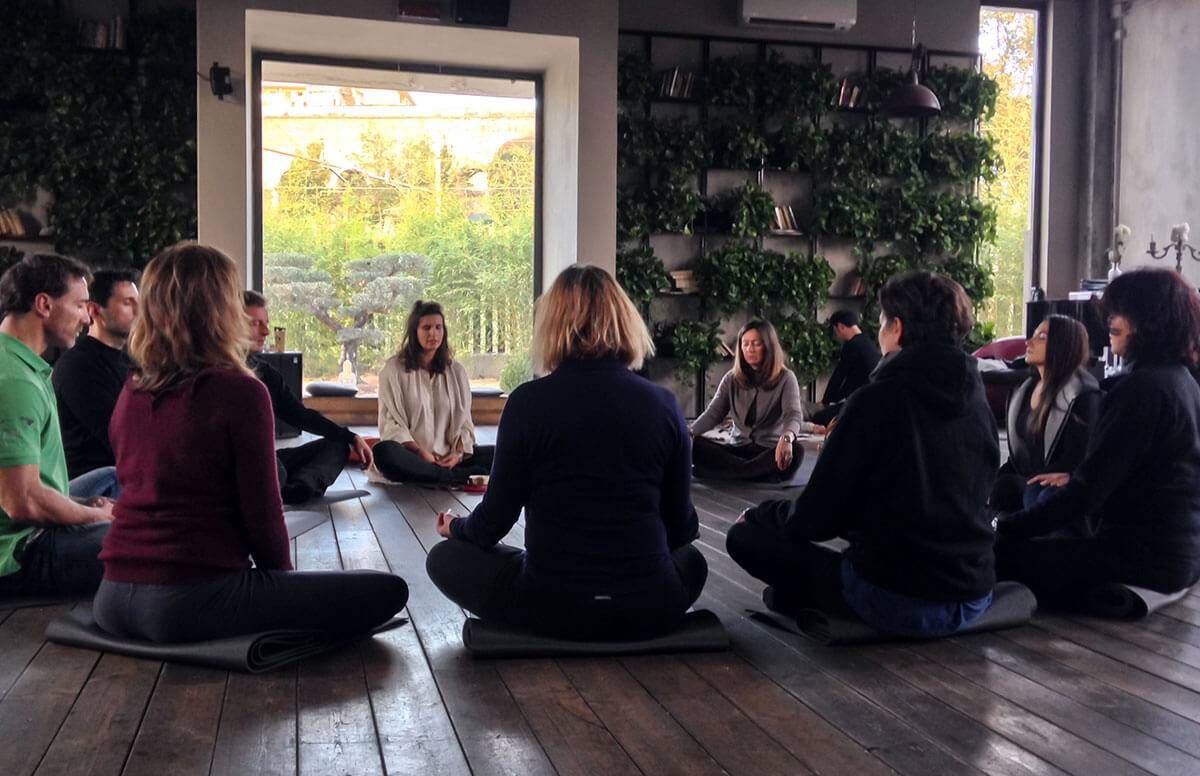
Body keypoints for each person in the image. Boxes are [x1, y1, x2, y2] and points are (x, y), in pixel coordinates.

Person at [93, 243, 407, 643]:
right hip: (187, 602)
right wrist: (283, 595)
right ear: (222, 310)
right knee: (388, 590)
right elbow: (263, 515)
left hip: (112, 598)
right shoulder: (239, 392)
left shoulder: (131, 392)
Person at [425, 265, 707, 641]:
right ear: (625, 321)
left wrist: (455, 527)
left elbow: (492, 523)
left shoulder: (527, 403)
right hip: (649, 606)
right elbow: (682, 527)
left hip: (552, 607)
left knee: (443, 558)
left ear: (552, 324)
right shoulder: (664, 404)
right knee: (693, 562)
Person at [726, 271, 998, 639]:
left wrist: (762, 514)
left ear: (897, 329)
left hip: (898, 599)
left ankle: (815, 600)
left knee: (745, 537)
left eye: (882, 324)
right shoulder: (976, 394)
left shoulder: (875, 400)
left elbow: (815, 519)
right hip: (974, 592)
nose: (879, 334)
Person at [995, 269, 1200, 609]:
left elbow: (1086, 495)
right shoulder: (1182, 381)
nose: (1111, 322)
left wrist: (1006, 528)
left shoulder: (1141, 389)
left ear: (1148, 319)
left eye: (1120, 313)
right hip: (1182, 554)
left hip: (1143, 559)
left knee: (996, 556)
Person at [0, 254, 115, 597]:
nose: (85, 316)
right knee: (146, 542)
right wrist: (96, 518)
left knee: (110, 478)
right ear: (44, 304)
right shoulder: (14, 381)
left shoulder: (20, 362)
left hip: (26, 521)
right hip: (20, 553)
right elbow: (22, 503)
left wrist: (87, 504)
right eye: (79, 305)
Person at [244, 291, 374, 504]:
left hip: (269, 462)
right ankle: (281, 487)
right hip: (242, 468)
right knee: (273, 470)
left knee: (338, 446)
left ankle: (299, 488)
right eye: (255, 323)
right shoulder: (215, 374)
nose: (266, 331)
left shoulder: (266, 374)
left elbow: (302, 416)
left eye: (266, 323)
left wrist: (351, 437)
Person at [373, 300, 494, 486]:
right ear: (415, 332)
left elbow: (464, 424)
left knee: (500, 454)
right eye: (426, 328)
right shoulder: (393, 370)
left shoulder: (456, 371)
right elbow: (391, 425)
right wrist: (421, 453)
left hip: (450, 458)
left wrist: (458, 455)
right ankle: (458, 477)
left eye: (438, 327)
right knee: (384, 452)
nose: (433, 333)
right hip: (413, 457)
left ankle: (444, 474)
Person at [991, 315, 1100, 513]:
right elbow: (1019, 456)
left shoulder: (1082, 395)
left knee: (1035, 496)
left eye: (1041, 336)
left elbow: (1078, 457)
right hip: (1022, 482)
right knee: (1000, 487)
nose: (1029, 342)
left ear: (1063, 344)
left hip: (1052, 486)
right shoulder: (1023, 389)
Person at [689, 319, 810, 482]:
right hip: (737, 448)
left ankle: (726, 474)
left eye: (756, 344)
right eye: (745, 344)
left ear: (768, 347)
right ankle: (752, 474)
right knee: (693, 444)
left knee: (796, 451)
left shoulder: (786, 378)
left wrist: (787, 438)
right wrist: (689, 433)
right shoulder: (731, 378)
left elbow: (793, 414)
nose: (749, 349)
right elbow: (714, 413)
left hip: (769, 450)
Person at [52, 269, 139, 483]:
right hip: (95, 485)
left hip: (127, 478)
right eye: (128, 303)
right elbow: (122, 438)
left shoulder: (131, 360)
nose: (139, 311)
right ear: (94, 310)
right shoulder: (78, 365)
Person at [805, 310, 882, 426]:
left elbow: (839, 376)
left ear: (840, 326)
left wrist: (825, 401)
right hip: (872, 402)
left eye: (836, 331)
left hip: (858, 404)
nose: (837, 335)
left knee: (818, 417)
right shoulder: (868, 343)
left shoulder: (852, 345)